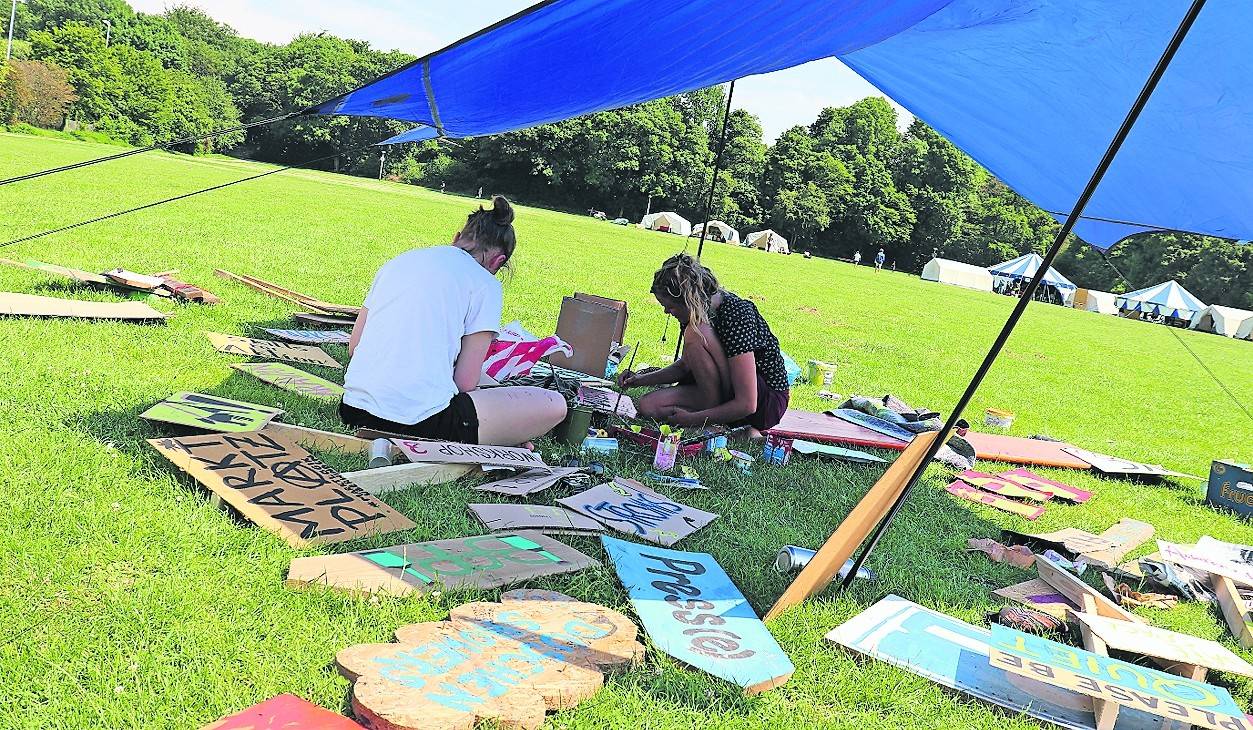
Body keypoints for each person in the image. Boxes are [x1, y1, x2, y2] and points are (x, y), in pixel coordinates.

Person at [340, 196, 567, 446]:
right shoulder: (485, 284)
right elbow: (465, 382)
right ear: (498, 262)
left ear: (457, 237)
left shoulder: (398, 262)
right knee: (555, 404)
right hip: (421, 421)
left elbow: (355, 347)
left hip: (353, 409)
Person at [618, 254, 790, 433]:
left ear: (689, 300)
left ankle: (714, 420)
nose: (666, 312)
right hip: (721, 390)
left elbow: (747, 403)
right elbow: (685, 366)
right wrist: (638, 380)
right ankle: (720, 422)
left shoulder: (736, 315)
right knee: (648, 406)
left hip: (764, 402)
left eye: (670, 307)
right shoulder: (694, 313)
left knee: (696, 332)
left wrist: (692, 419)